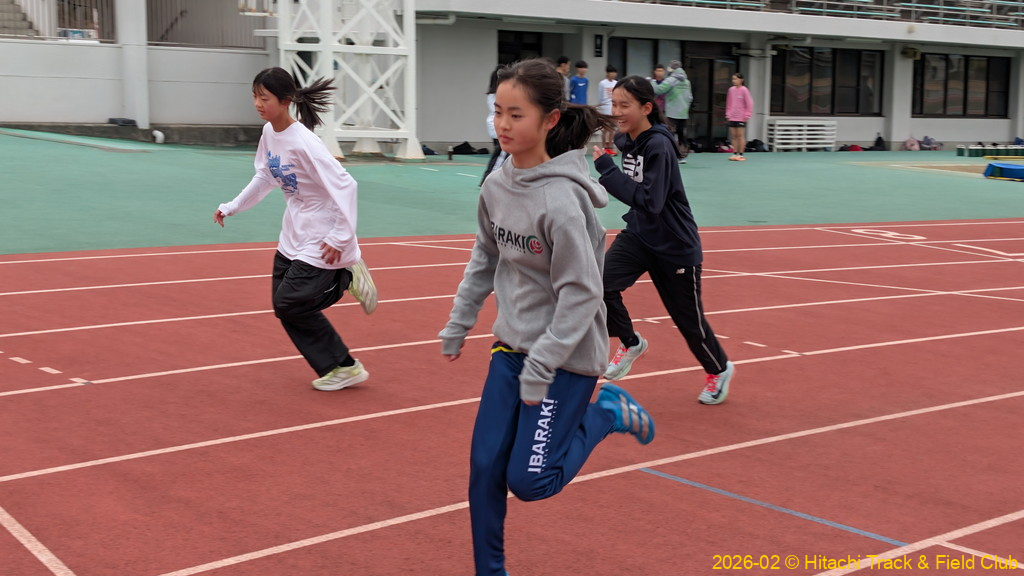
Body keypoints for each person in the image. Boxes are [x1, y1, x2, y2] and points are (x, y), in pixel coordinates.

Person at [440, 59, 655, 576]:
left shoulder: (560, 202)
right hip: (511, 348)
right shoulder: (496, 185)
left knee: (530, 481)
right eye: (498, 112)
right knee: (484, 467)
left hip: (565, 358)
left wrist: (543, 365)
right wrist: (461, 319)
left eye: (516, 114)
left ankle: (605, 413)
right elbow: (485, 256)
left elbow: (582, 295)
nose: (503, 124)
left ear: (550, 120)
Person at [214, 67, 378, 392]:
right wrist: (233, 206)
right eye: (255, 96)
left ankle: (346, 275)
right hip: (293, 233)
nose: (258, 104)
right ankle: (342, 367)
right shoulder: (269, 133)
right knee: (284, 307)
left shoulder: (305, 142)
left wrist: (341, 237)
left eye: (264, 98)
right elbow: (266, 176)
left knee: (290, 302)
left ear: (285, 100)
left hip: (322, 234)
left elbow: (346, 185)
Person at [592, 75, 735, 405]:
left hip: (674, 245)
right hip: (640, 235)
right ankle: (631, 342)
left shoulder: (658, 145)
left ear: (646, 108)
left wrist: (607, 171)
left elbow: (651, 201)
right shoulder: (628, 139)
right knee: (599, 285)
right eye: (614, 104)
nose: (617, 111)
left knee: (688, 322)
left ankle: (718, 369)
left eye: (624, 105)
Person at [651, 59, 693, 163]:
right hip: (683, 113)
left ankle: (671, 156)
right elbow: (690, 98)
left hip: (672, 112)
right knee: (682, 135)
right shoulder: (687, 82)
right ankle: (682, 156)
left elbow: (658, 90)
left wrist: (652, 82)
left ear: (671, 68)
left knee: (669, 135)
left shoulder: (671, 80)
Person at [482, 65, 508, 186]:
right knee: (501, 153)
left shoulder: (492, 93)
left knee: (500, 152)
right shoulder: (498, 94)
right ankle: (490, 177)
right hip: (497, 123)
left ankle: (491, 177)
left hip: (493, 123)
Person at [726, 72, 753, 161]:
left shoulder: (744, 90)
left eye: (736, 79)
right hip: (732, 116)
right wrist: (728, 114)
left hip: (741, 117)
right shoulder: (731, 90)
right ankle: (735, 153)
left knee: (740, 136)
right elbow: (729, 103)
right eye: (733, 79)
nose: (734, 81)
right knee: (734, 136)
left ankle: (741, 155)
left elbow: (749, 103)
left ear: (741, 80)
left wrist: (747, 115)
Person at [598, 65, 618, 155]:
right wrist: (601, 108)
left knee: (612, 129)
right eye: (612, 72)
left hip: (613, 108)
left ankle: (610, 147)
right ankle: (604, 148)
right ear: (607, 73)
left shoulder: (616, 83)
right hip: (605, 108)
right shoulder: (602, 83)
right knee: (605, 129)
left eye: (615, 73)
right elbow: (600, 97)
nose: (613, 74)